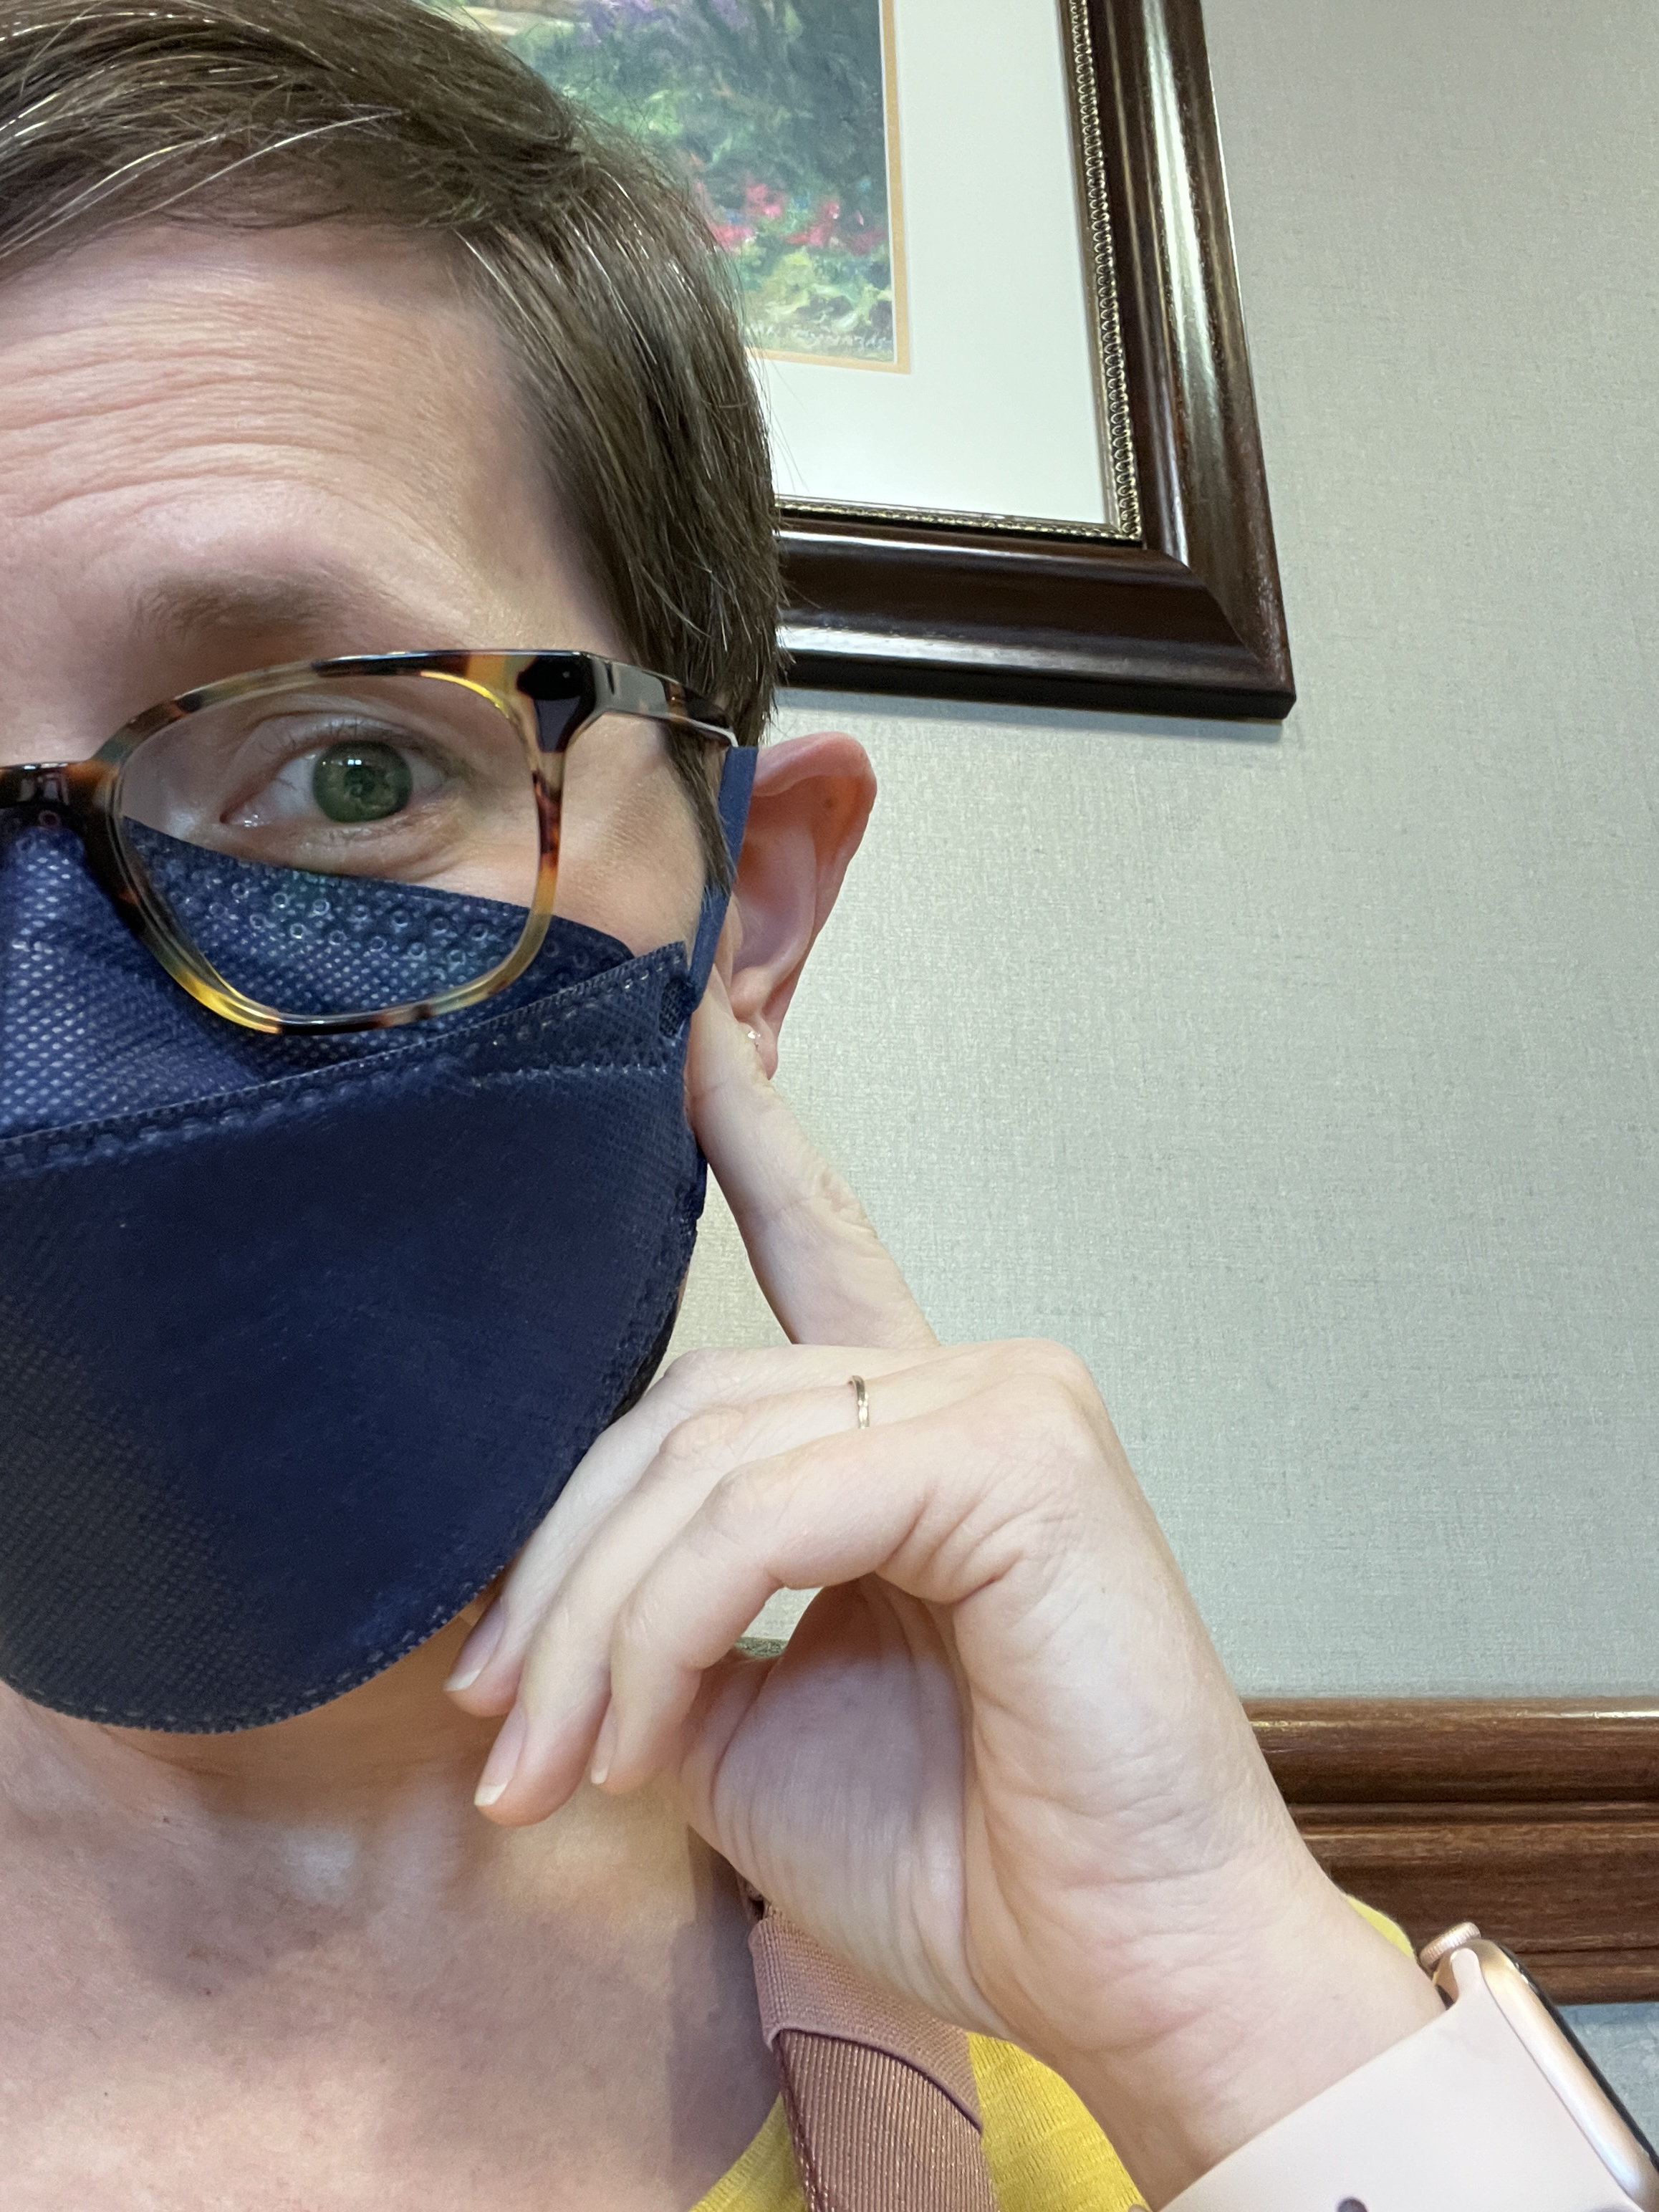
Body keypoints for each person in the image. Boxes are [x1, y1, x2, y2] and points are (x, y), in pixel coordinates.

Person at [0, 1, 1579, 2206]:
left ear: (745, 916)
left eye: (350, 768)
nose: (43, 1023)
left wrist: (1234, 2015)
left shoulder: (1069, 2059)